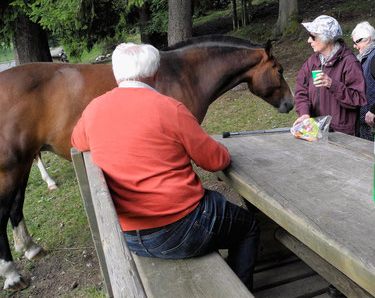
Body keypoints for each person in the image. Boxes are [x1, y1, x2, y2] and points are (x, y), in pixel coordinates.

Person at [71, 43, 259, 289]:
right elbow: (216, 161)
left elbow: (76, 141)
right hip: (183, 229)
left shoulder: (95, 108)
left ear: (117, 75)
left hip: (130, 236)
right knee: (249, 227)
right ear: (156, 75)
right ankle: (240, 291)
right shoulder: (170, 108)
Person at [293, 15, 367, 136]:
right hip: (315, 131)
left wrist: (333, 85)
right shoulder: (312, 61)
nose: (309, 40)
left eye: (313, 37)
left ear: (326, 39)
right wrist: (304, 113)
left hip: (342, 136)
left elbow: (358, 99)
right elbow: (301, 90)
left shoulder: (349, 63)